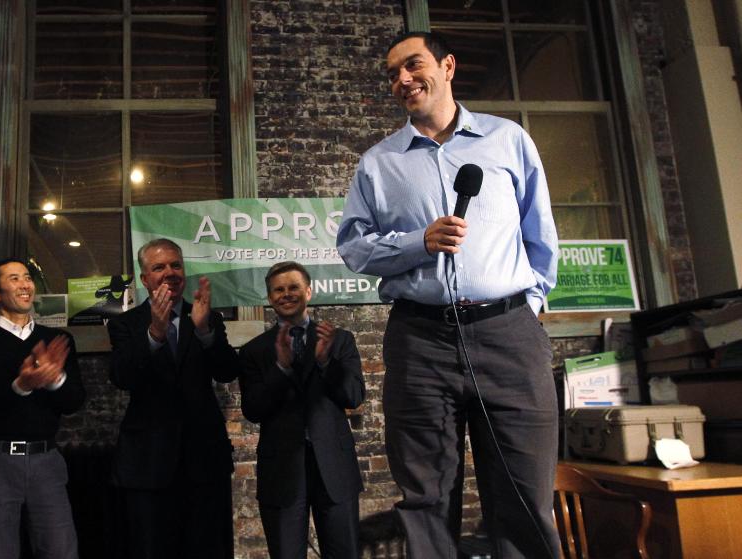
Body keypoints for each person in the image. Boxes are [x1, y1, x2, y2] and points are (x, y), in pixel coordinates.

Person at [336, 31, 561, 558]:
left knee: (524, 495)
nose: (403, 79)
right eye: (392, 73)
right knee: (426, 498)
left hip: (508, 335)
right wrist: (419, 242)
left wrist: (521, 312)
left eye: (413, 65)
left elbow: (541, 237)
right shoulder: (378, 163)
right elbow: (354, 246)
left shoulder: (508, 141)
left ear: (448, 66)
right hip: (420, 342)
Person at [108, 238, 240, 559]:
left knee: (208, 547)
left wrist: (206, 331)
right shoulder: (125, 324)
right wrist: (154, 333)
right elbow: (122, 377)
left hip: (204, 460)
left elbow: (226, 371)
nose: (170, 272)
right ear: (144, 279)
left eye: (176, 265)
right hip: (148, 462)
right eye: (159, 267)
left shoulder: (207, 316)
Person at [0, 258, 85, 559]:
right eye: (14, 279)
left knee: (61, 550)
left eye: (27, 278)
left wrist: (54, 379)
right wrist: (23, 384)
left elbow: (74, 402)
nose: (25, 284)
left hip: (46, 460)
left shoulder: (58, 339)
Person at [239, 261, 365, 559]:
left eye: (293, 287)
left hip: (334, 468)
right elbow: (253, 409)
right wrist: (281, 368)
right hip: (281, 471)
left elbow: (354, 396)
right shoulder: (254, 351)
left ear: (308, 291)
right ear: (269, 298)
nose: (286, 294)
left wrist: (325, 363)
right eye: (278, 290)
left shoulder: (339, 340)